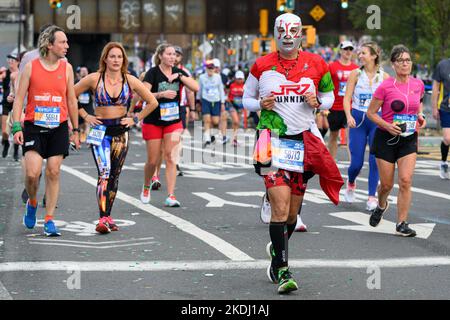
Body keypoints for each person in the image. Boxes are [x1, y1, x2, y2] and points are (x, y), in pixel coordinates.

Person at [243, 13, 343, 294]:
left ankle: (276, 253)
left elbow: (330, 97)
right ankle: (284, 270)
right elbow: (246, 99)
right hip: (270, 140)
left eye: (293, 30)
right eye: (282, 30)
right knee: (280, 207)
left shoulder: (317, 64)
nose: (288, 35)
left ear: (301, 34)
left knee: (291, 215)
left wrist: (319, 102)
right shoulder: (262, 65)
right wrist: (260, 103)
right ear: (275, 33)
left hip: (303, 142)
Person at [74, 42, 158, 234]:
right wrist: (86, 116)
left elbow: (152, 101)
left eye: (119, 57)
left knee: (114, 176)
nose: (116, 60)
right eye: (112, 56)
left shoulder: (130, 80)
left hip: (121, 131)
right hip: (100, 131)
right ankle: (102, 217)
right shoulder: (94, 78)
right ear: (105, 58)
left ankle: (108, 216)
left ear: (124, 60)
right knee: (104, 172)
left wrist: (135, 118)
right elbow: (70, 93)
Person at [12, 26, 80, 237]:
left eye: (67, 42)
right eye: (62, 42)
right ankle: (32, 203)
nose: (67, 46)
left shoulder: (66, 68)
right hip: (34, 126)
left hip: (58, 126)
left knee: (53, 171)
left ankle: (49, 219)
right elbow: (20, 98)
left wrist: (76, 129)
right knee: (32, 174)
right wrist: (16, 125)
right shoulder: (31, 67)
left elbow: (71, 99)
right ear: (49, 44)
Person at [367, 45, 426, 237]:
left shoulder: (418, 84)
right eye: (400, 60)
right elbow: (371, 113)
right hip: (386, 138)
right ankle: (381, 205)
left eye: (408, 60)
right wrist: (387, 125)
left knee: (406, 180)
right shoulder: (386, 86)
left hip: (408, 137)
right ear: (393, 64)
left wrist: (421, 116)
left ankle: (402, 222)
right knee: (386, 185)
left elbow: (418, 105)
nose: (405, 64)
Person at [141, 43, 199, 207]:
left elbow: (195, 87)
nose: (172, 57)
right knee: (152, 161)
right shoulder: (152, 73)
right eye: (169, 54)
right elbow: (144, 95)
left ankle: (171, 195)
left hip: (173, 121)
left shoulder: (179, 72)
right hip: (153, 120)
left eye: (174, 54)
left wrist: (180, 78)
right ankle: (146, 186)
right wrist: (161, 94)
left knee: (171, 157)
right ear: (160, 56)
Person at [343, 42, 390, 211]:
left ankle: (371, 197)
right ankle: (351, 182)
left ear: (374, 55)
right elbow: (346, 97)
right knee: (356, 163)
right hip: (358, 120)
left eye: (363, 53)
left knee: (374, 161)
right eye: (359, 53)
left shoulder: (384, 77)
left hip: (376, 121)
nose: (360, 56)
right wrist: (348, 116)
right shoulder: (355, 74)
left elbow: (388, 102)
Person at [327, 41, 359, 159]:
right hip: (334, 106)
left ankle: (353, 165)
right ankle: (332, 163)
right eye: (345, 49)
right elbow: (324, 85)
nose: (348, 51)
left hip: (350, 108)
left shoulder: (356, 68)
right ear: (340, 51)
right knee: (333, 136)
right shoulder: (332, 66)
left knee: (351, 137)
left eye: (350, 49)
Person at [198, 60, 226, 147]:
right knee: (207, 120)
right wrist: (198, 101)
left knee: (215, 121)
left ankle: (211, 134)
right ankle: (207, 138)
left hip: (216, 101)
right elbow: (199, 89)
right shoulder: (202, 77)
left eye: (212, 69)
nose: (210, 70)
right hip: (206, 100)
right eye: (209, 68)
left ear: (214, 69)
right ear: (206, 69)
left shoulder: (218, 77)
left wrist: (222, 102)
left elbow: (221, 89)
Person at [431, 57, 450, 180]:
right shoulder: (443, 65)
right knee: (448, 138)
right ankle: (443, 162)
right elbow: (435, 87)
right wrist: (434, 107)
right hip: (445, 107)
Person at [2, 53, 20, 159]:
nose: (10, 63)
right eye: (9, 61)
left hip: (17, 105)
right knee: (5, 131)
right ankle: (6, 143)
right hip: (6, 103)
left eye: (12, 61)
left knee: (16, 129)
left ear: (18, 62)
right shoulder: (5, 73)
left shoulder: (21, 74)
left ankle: (16, 151)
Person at [227, 70, 245, 147]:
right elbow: (227, 94)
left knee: (236, 123)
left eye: (241, 78)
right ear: (235, 78)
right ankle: (233, 139)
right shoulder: (231, 85)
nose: (239, 80)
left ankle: (234, 139)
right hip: (232, 104)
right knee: (236, 121)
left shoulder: (245, 86)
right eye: (238, 78)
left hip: (240, 106)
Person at [75, 66, 94, 143]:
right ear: (79, 73)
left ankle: (88, 139)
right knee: (79, 124)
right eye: (82, 71)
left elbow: (93, 95)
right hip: (78, 105)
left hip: (88, 105)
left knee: (87, 122)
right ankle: (79, 137)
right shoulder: (76, 82)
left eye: (85, 71)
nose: (84, 72)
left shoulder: (90, 82)